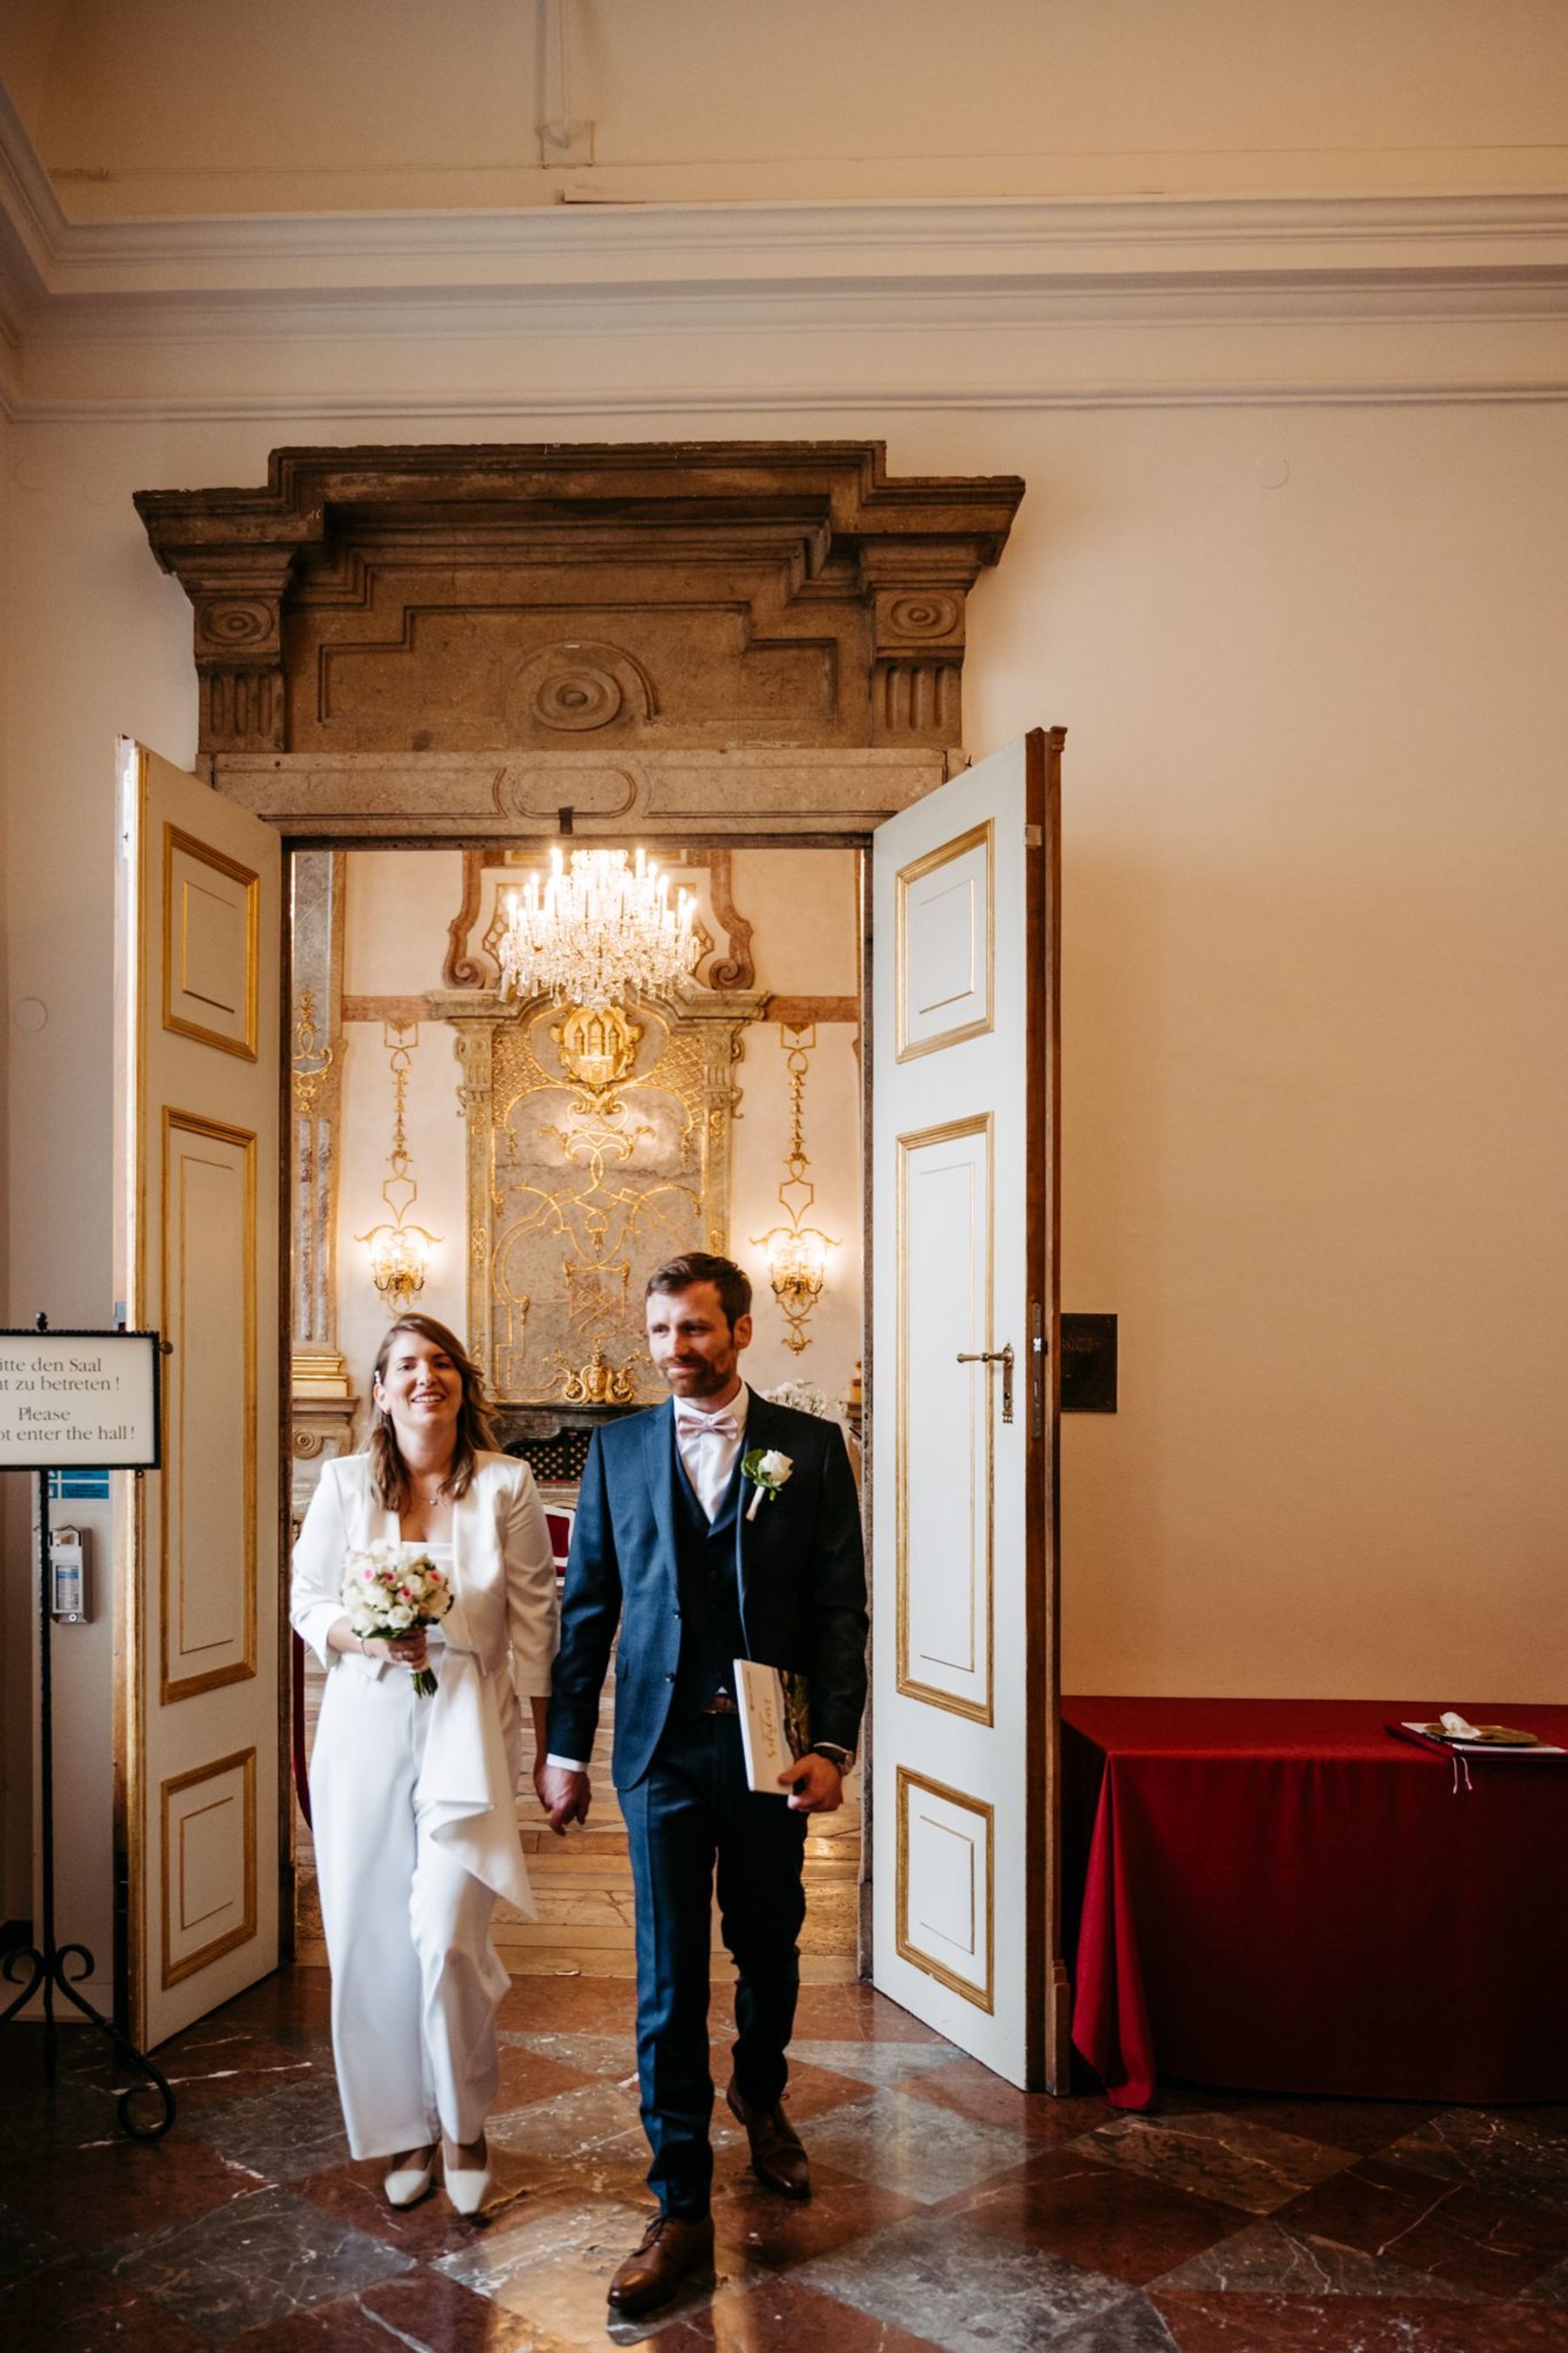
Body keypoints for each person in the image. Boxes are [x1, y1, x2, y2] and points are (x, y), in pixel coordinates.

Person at [537, 1253, 867, 2317]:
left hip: (771, 1750)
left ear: (741, 1330)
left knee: (770, 1943)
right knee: (668, 1974)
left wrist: (835, 1745)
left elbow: (839, 1611)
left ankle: (761, 2096)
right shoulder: (619, 1450)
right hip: (660, 1751)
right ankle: (679, 2205)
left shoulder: (811, 1447)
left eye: (695, 1328)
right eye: (662, 1331)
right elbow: (588, 1608)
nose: (676, 1348)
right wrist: (566, 1748)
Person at [291, 1312, 558, 2216]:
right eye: (405, 1364)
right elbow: (307, 1598)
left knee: (446, 1938)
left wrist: (552, 1749)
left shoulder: (507, 1483)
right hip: (363, 1722)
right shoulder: (342, 1483)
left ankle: (464, 2123)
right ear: (380, 1389)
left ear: (462, 1383)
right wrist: (362, 1635)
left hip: (467, 1722)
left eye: (440, 1362)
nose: (424, 1376)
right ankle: (402, 2128)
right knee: (368, 1940)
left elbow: (536, 1618)